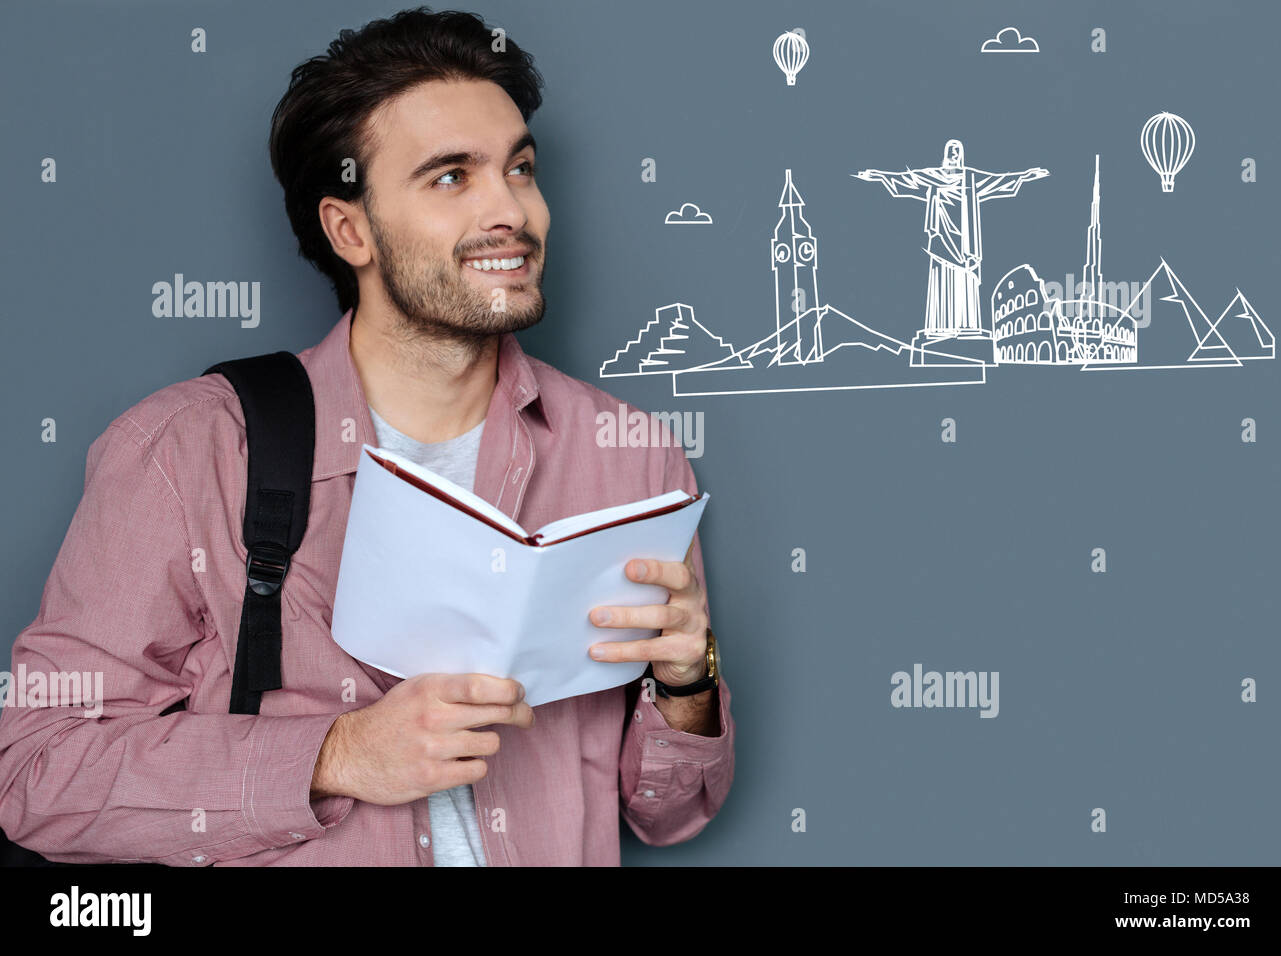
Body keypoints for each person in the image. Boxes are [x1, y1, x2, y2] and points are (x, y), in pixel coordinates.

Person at [0, 7, 733, 866]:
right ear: (350, 230)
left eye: (520, 169)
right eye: (451, 177)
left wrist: (689, 684)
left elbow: (667, 816)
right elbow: (35, 774)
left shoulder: (631, 453)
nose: (512, 210)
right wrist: (338, 755)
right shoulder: (188, 448)